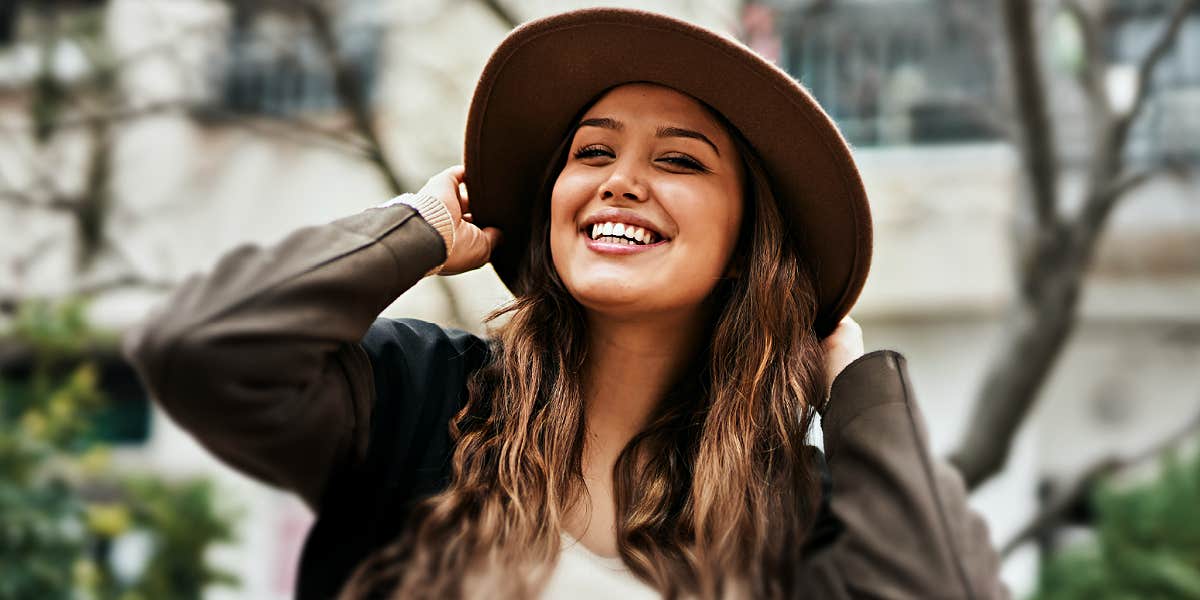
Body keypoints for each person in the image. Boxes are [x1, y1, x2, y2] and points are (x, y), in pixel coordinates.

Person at [122, 8, 1009, 600]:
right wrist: (422, 228)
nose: (620, 182)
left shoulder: (799, 517)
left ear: (747, 250)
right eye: (592, 153)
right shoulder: (418, 400)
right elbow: (198, 351)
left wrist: (851, 380)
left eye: (679, 161)